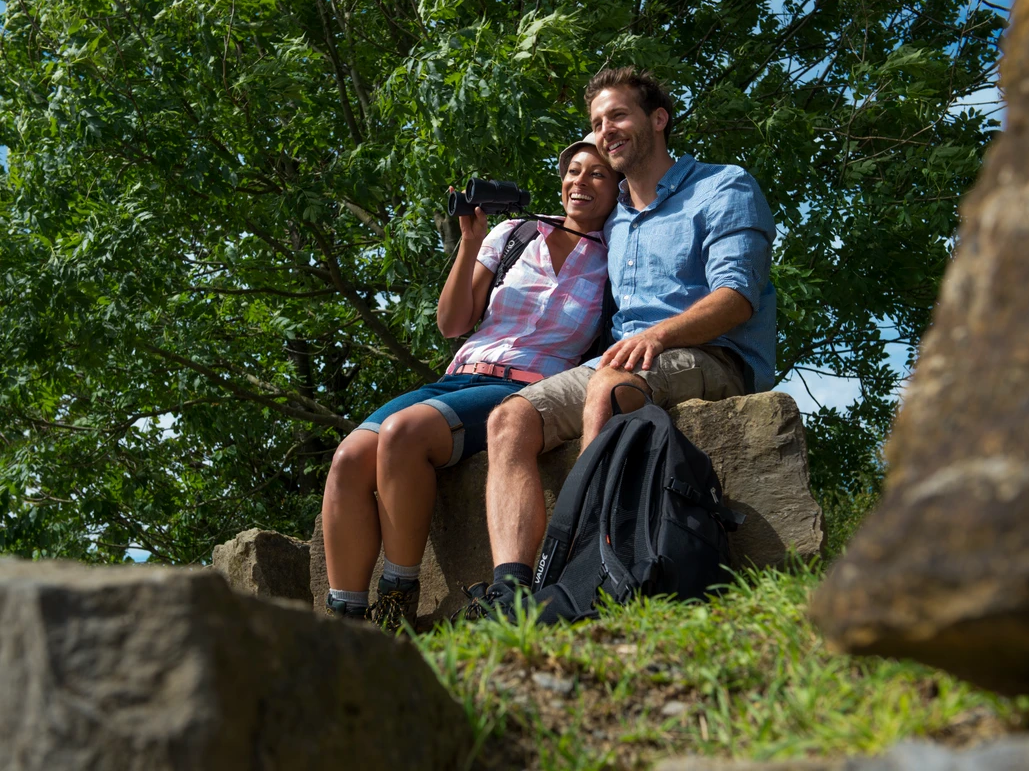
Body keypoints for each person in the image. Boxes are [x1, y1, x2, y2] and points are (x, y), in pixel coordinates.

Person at [472, 66, 777, 618]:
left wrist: (658, 336)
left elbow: (738, 296)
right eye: (596, 120)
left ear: (657, 120)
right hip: (625, 358)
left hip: (716, 354)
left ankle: (588, 572)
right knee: (508, 419)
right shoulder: (615, 221)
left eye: (617, 115)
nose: (605, 129)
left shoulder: (721, 185)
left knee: (607, 390)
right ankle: (510, 592)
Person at [321, 137, 621, 630]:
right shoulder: (516, 233)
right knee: (349, 458)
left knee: (402, 434)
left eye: (597, 174)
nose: (579, 182)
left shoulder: (615, 256)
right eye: (572, 171)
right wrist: (471, 241)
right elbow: (453, 322)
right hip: (460, 375)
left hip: (525, 388)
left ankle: (397, 601)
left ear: (617, 189)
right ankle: (344, 621)